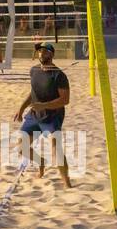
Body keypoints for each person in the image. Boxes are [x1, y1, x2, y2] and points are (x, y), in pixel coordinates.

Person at [12, 42, 72, 187]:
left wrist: (43, 105)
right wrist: (21, 108)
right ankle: (41, 162)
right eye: (39, 51)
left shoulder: (59, 75)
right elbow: (33, 93)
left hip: (52, 116)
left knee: (56, 149)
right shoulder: (34, 70)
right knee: (21, 147)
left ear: (52, 54)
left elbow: (65, 100)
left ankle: (67, 183)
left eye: (45, 51)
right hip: (34, 115)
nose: (41, 53)